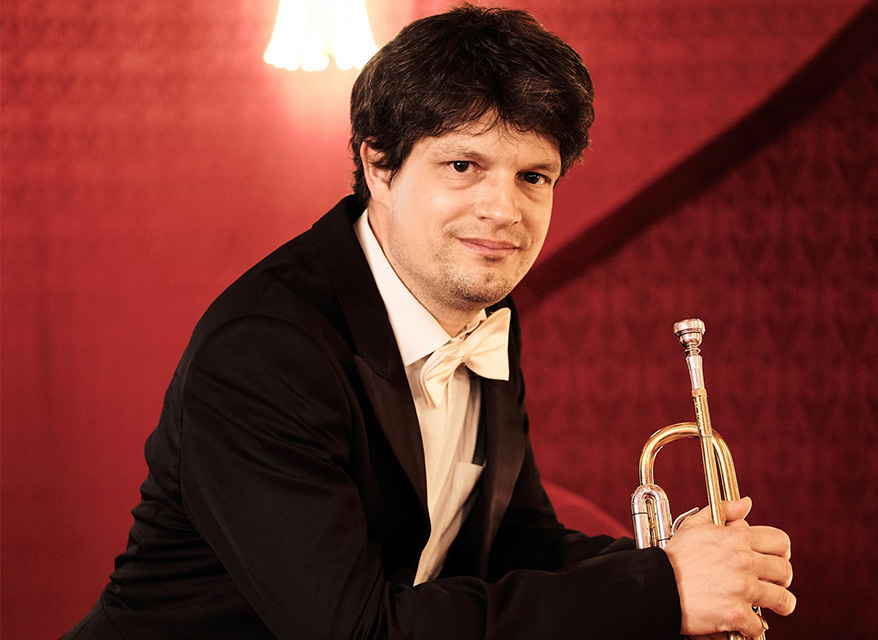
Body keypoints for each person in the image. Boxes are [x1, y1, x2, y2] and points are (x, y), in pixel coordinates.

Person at [62, 5, 794, 639]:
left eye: (531, 176)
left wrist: (673, 562)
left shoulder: (481, 307)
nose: (504, 211)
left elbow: (515, 541)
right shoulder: (265, 351)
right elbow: (352, 631)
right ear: (379, 166)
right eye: (464, 167)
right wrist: (659, 594)